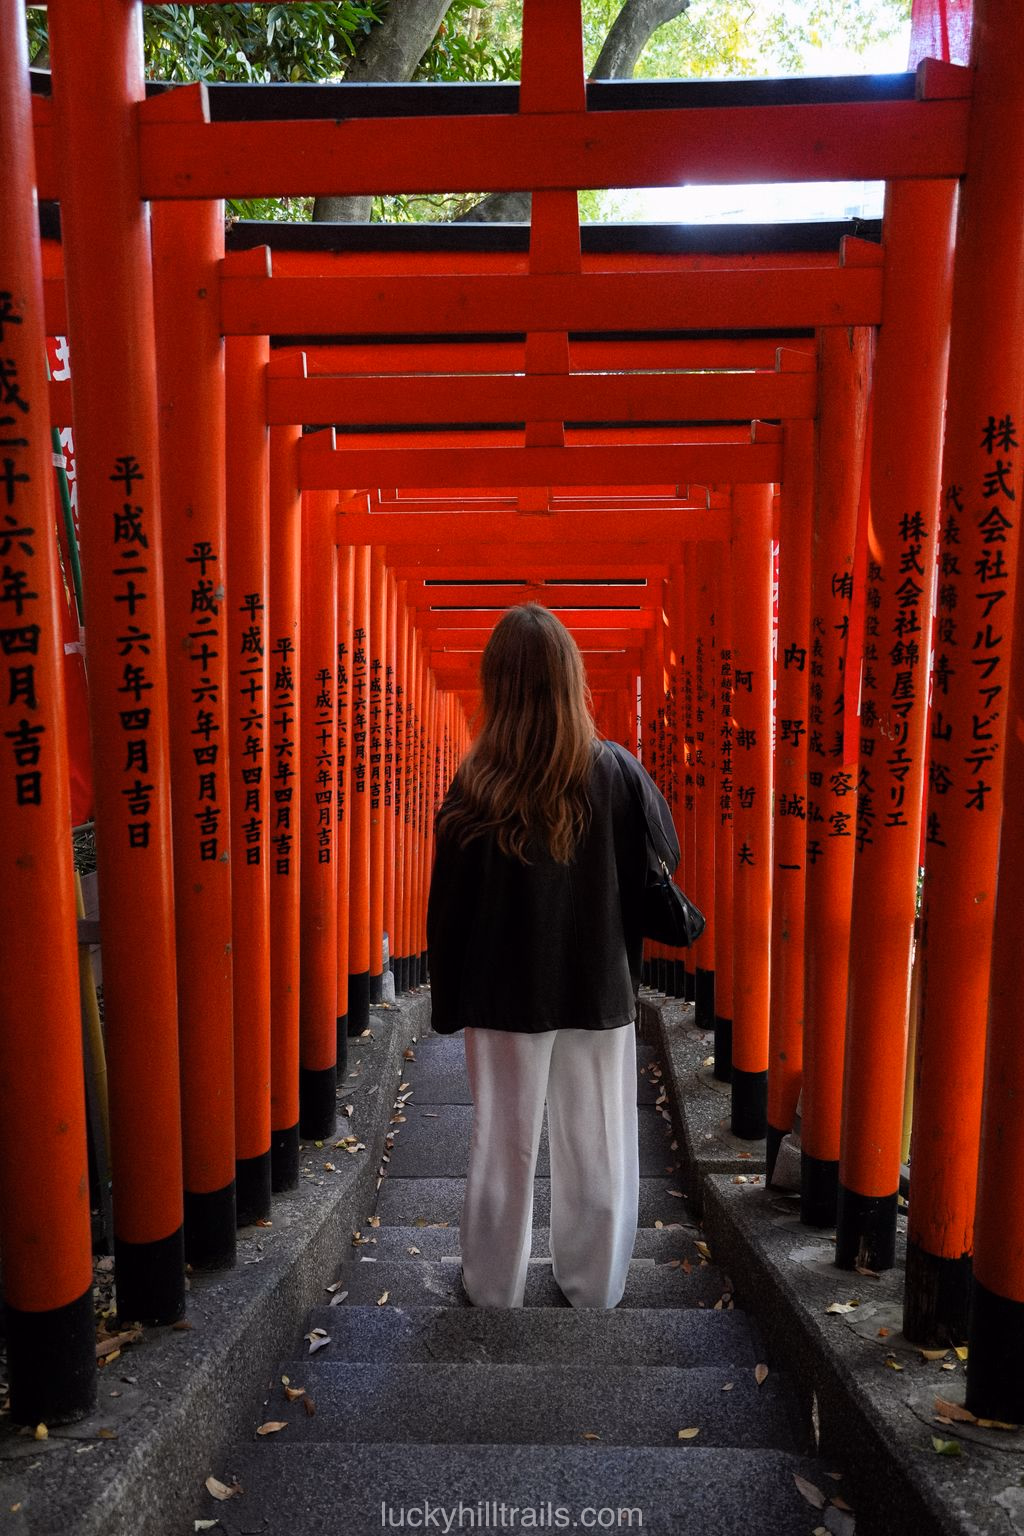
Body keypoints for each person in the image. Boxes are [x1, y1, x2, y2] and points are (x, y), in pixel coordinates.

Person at [426, 603, 680, 1309]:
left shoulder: (476, 783)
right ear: (573, 680)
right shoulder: (615, 772)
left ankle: (493, 1287)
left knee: (501, 1145)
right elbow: (665, 858)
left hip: (505, 994)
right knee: (599, 1141)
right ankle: (594, 1285)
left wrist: (450, 999)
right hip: (598, 984)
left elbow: (448, 907)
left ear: (496, 685)